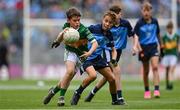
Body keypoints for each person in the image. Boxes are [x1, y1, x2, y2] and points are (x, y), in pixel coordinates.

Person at [43, 7, 98, 106]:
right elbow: (62, 35)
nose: (77, 22)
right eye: (74, 20)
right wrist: (57, 41)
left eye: (78, 20)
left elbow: (95, 43)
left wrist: (89, 53)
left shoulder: (84, 30)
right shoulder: (66, 26)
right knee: (69, 72)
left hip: (82, 55)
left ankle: (53, 92)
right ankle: (61, 97)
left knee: (92, 75)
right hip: (70, 52)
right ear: (68, 20)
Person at [84, 5, 139, 104]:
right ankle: (120, 98)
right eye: (111, 14)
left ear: (120, 14)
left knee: (109, 77)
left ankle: (92, 93)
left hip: (118, 51)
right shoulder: (108, 24)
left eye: (115, 14)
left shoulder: (125, 24)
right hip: (108, 50)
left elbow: (134, 35)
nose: (111, 18)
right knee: (116, 70)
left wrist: (135, 46)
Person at [70, 11, 123, 105]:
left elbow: (113, 50)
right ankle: (77, 93)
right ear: (103, 19)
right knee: (93, 76)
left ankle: (115, 101)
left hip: (98, 58)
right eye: (106, 21)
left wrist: (114, 59)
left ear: (112, 24)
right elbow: (79, 34)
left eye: (110, 23)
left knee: (112, 78)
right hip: (87, 58)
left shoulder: (109, 34)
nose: (107, 24)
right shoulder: (93, 28)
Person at [134, 1, 162, 99]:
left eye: (148, 10)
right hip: (143, 48)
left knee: (155, 67)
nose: (146, 13)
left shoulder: (155, 21)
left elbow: (158, 34)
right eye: (144, 10)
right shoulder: (139, 23)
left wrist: (161, 46)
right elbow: (135, 36)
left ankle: (157, 90)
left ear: (151, 11)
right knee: (146, 71)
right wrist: (137, 47)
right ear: (142, 11)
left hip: (153, 46)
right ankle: (147, 91)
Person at [161, 21, 179, 90]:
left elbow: (178, 45)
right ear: (167, 29)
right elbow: (162, 46)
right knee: (167, 70)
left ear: (172, 28)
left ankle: (171, 84)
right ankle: (167, 83)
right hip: (166, 55)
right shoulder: (164, 37)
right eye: (168, 28)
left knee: (171, 70)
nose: (170, 30)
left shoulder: (176, 36)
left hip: (173, 55)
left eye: (171, 28)